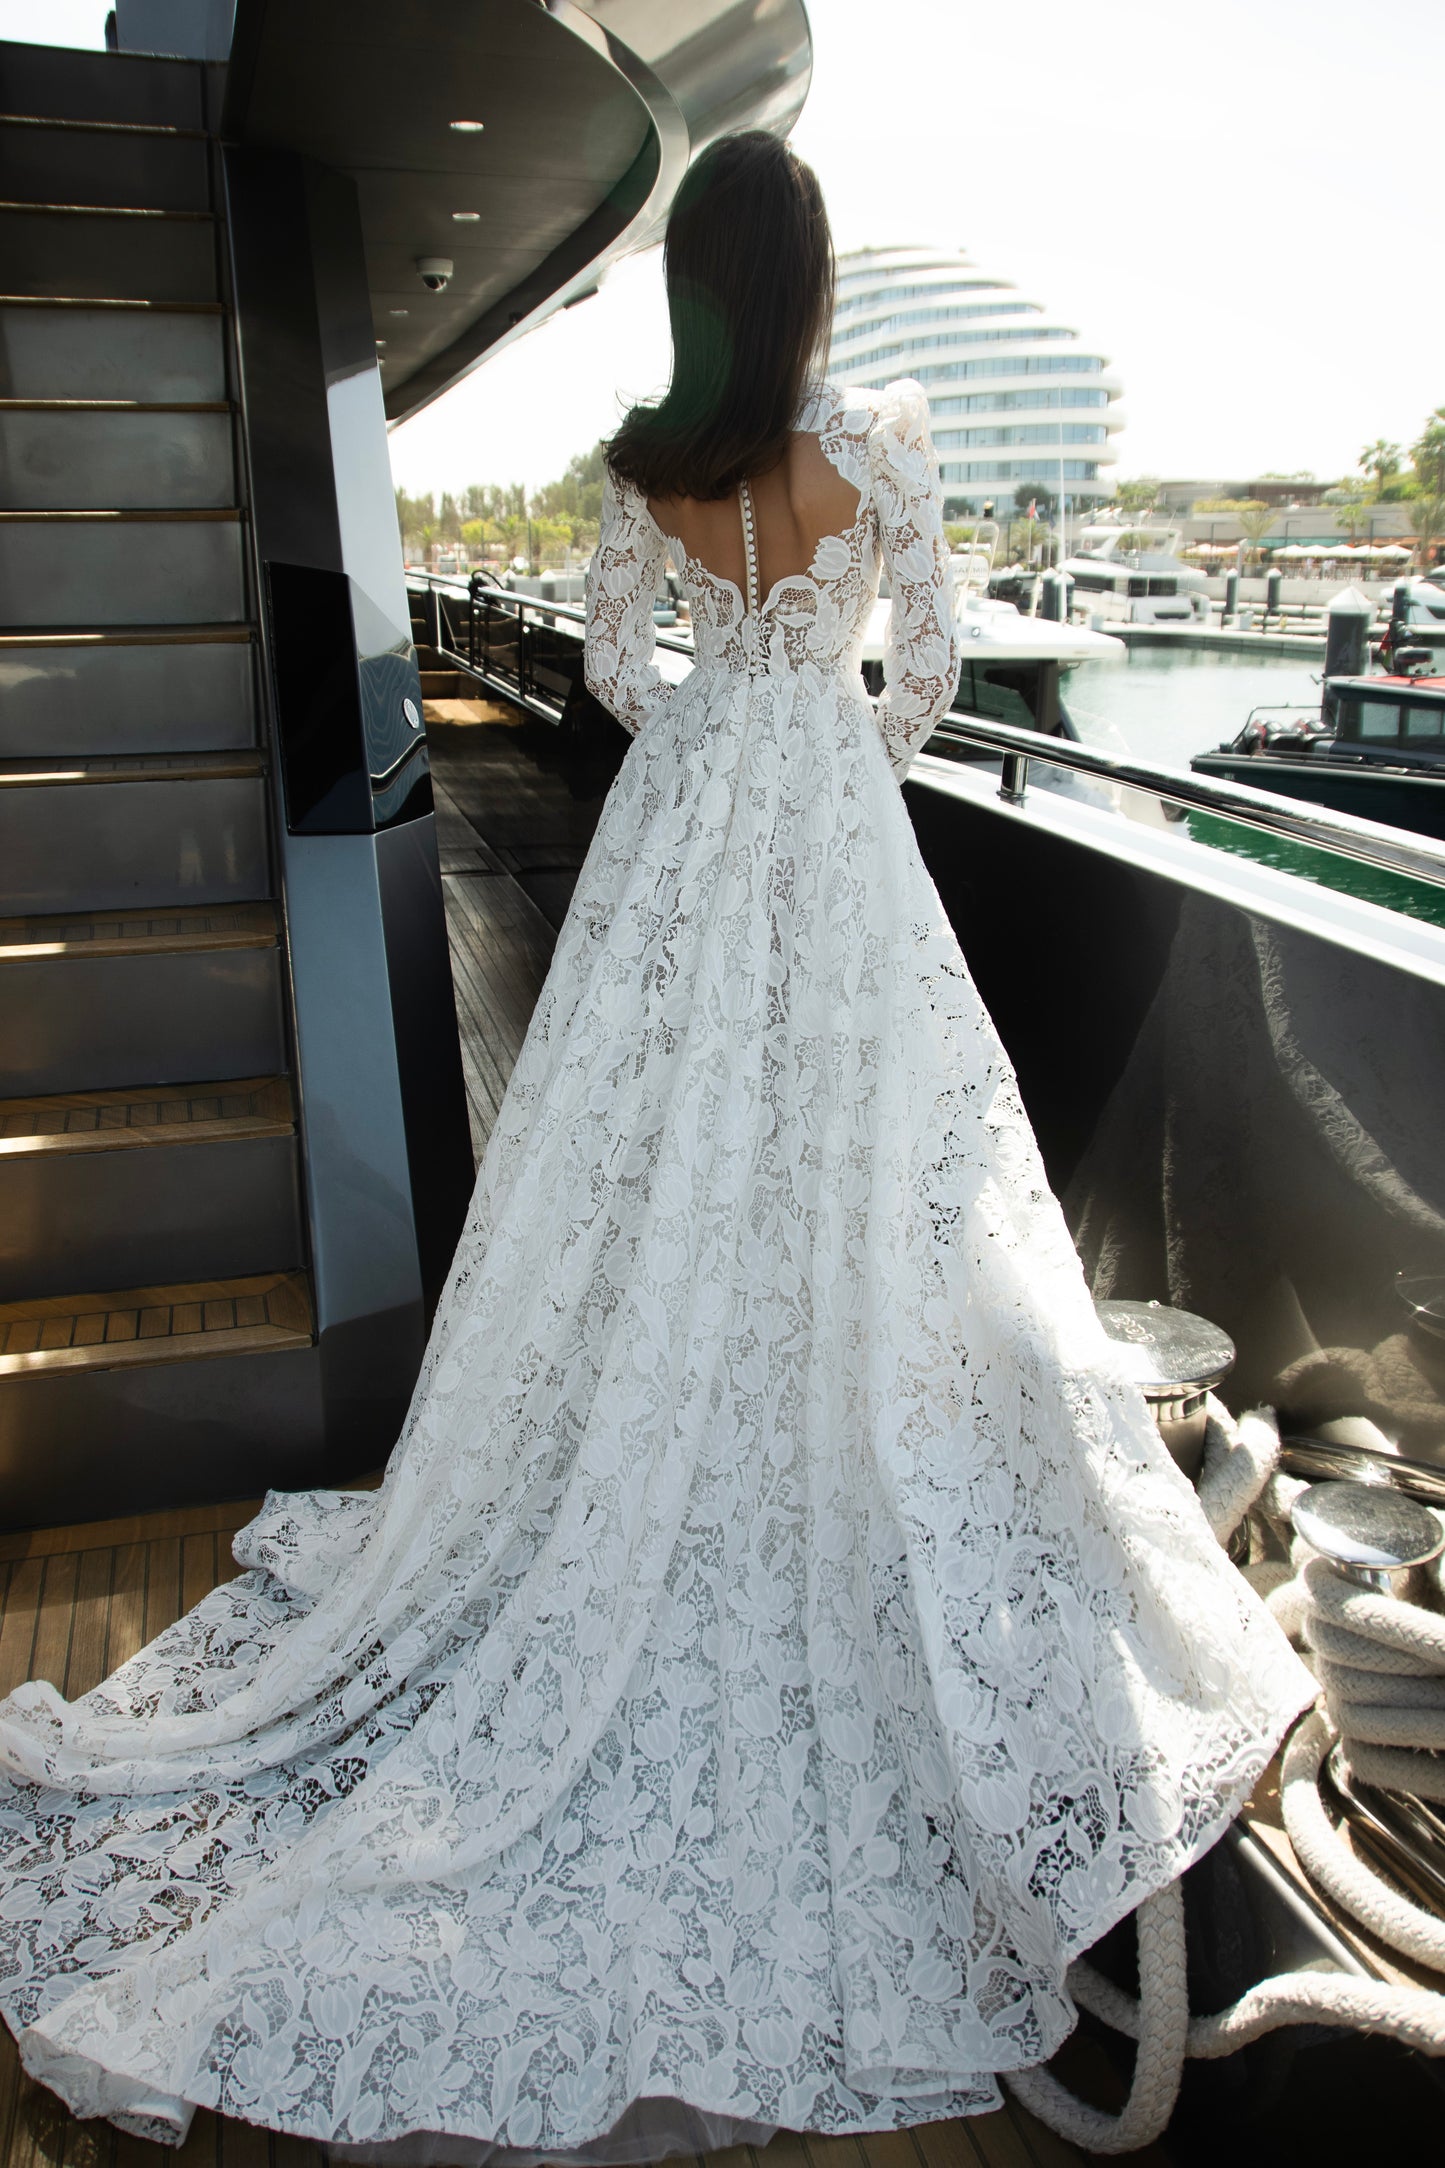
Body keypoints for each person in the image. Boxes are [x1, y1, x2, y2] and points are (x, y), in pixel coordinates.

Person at [0, 131, 1310, 2164]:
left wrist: (725, 730)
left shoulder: (643, 463)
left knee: (655, 1189)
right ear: (807, 283)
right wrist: (833, 741)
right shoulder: (875, 438)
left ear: (697, 287)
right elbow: (937, 674)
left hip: (691, 833)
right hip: (833, 836)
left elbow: (615, 675)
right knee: (879, 1190)